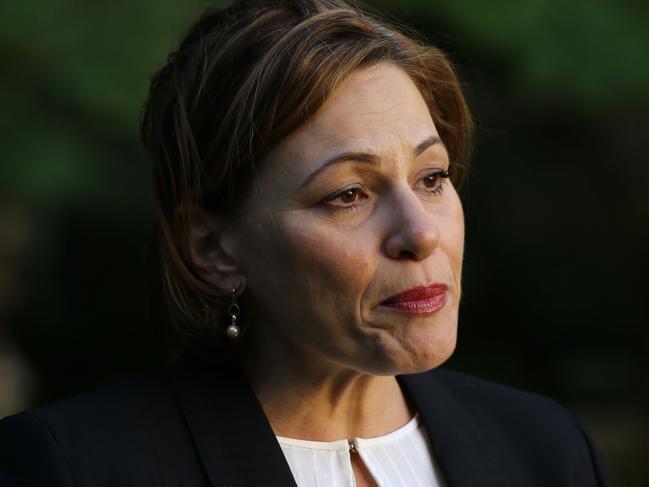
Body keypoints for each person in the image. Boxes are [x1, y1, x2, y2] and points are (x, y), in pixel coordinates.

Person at [0, 0, 611, 485]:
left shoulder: (546, 449)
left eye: (432, 178)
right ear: (214, 248)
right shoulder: (73, 465)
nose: (421, 234)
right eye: (348, 194)